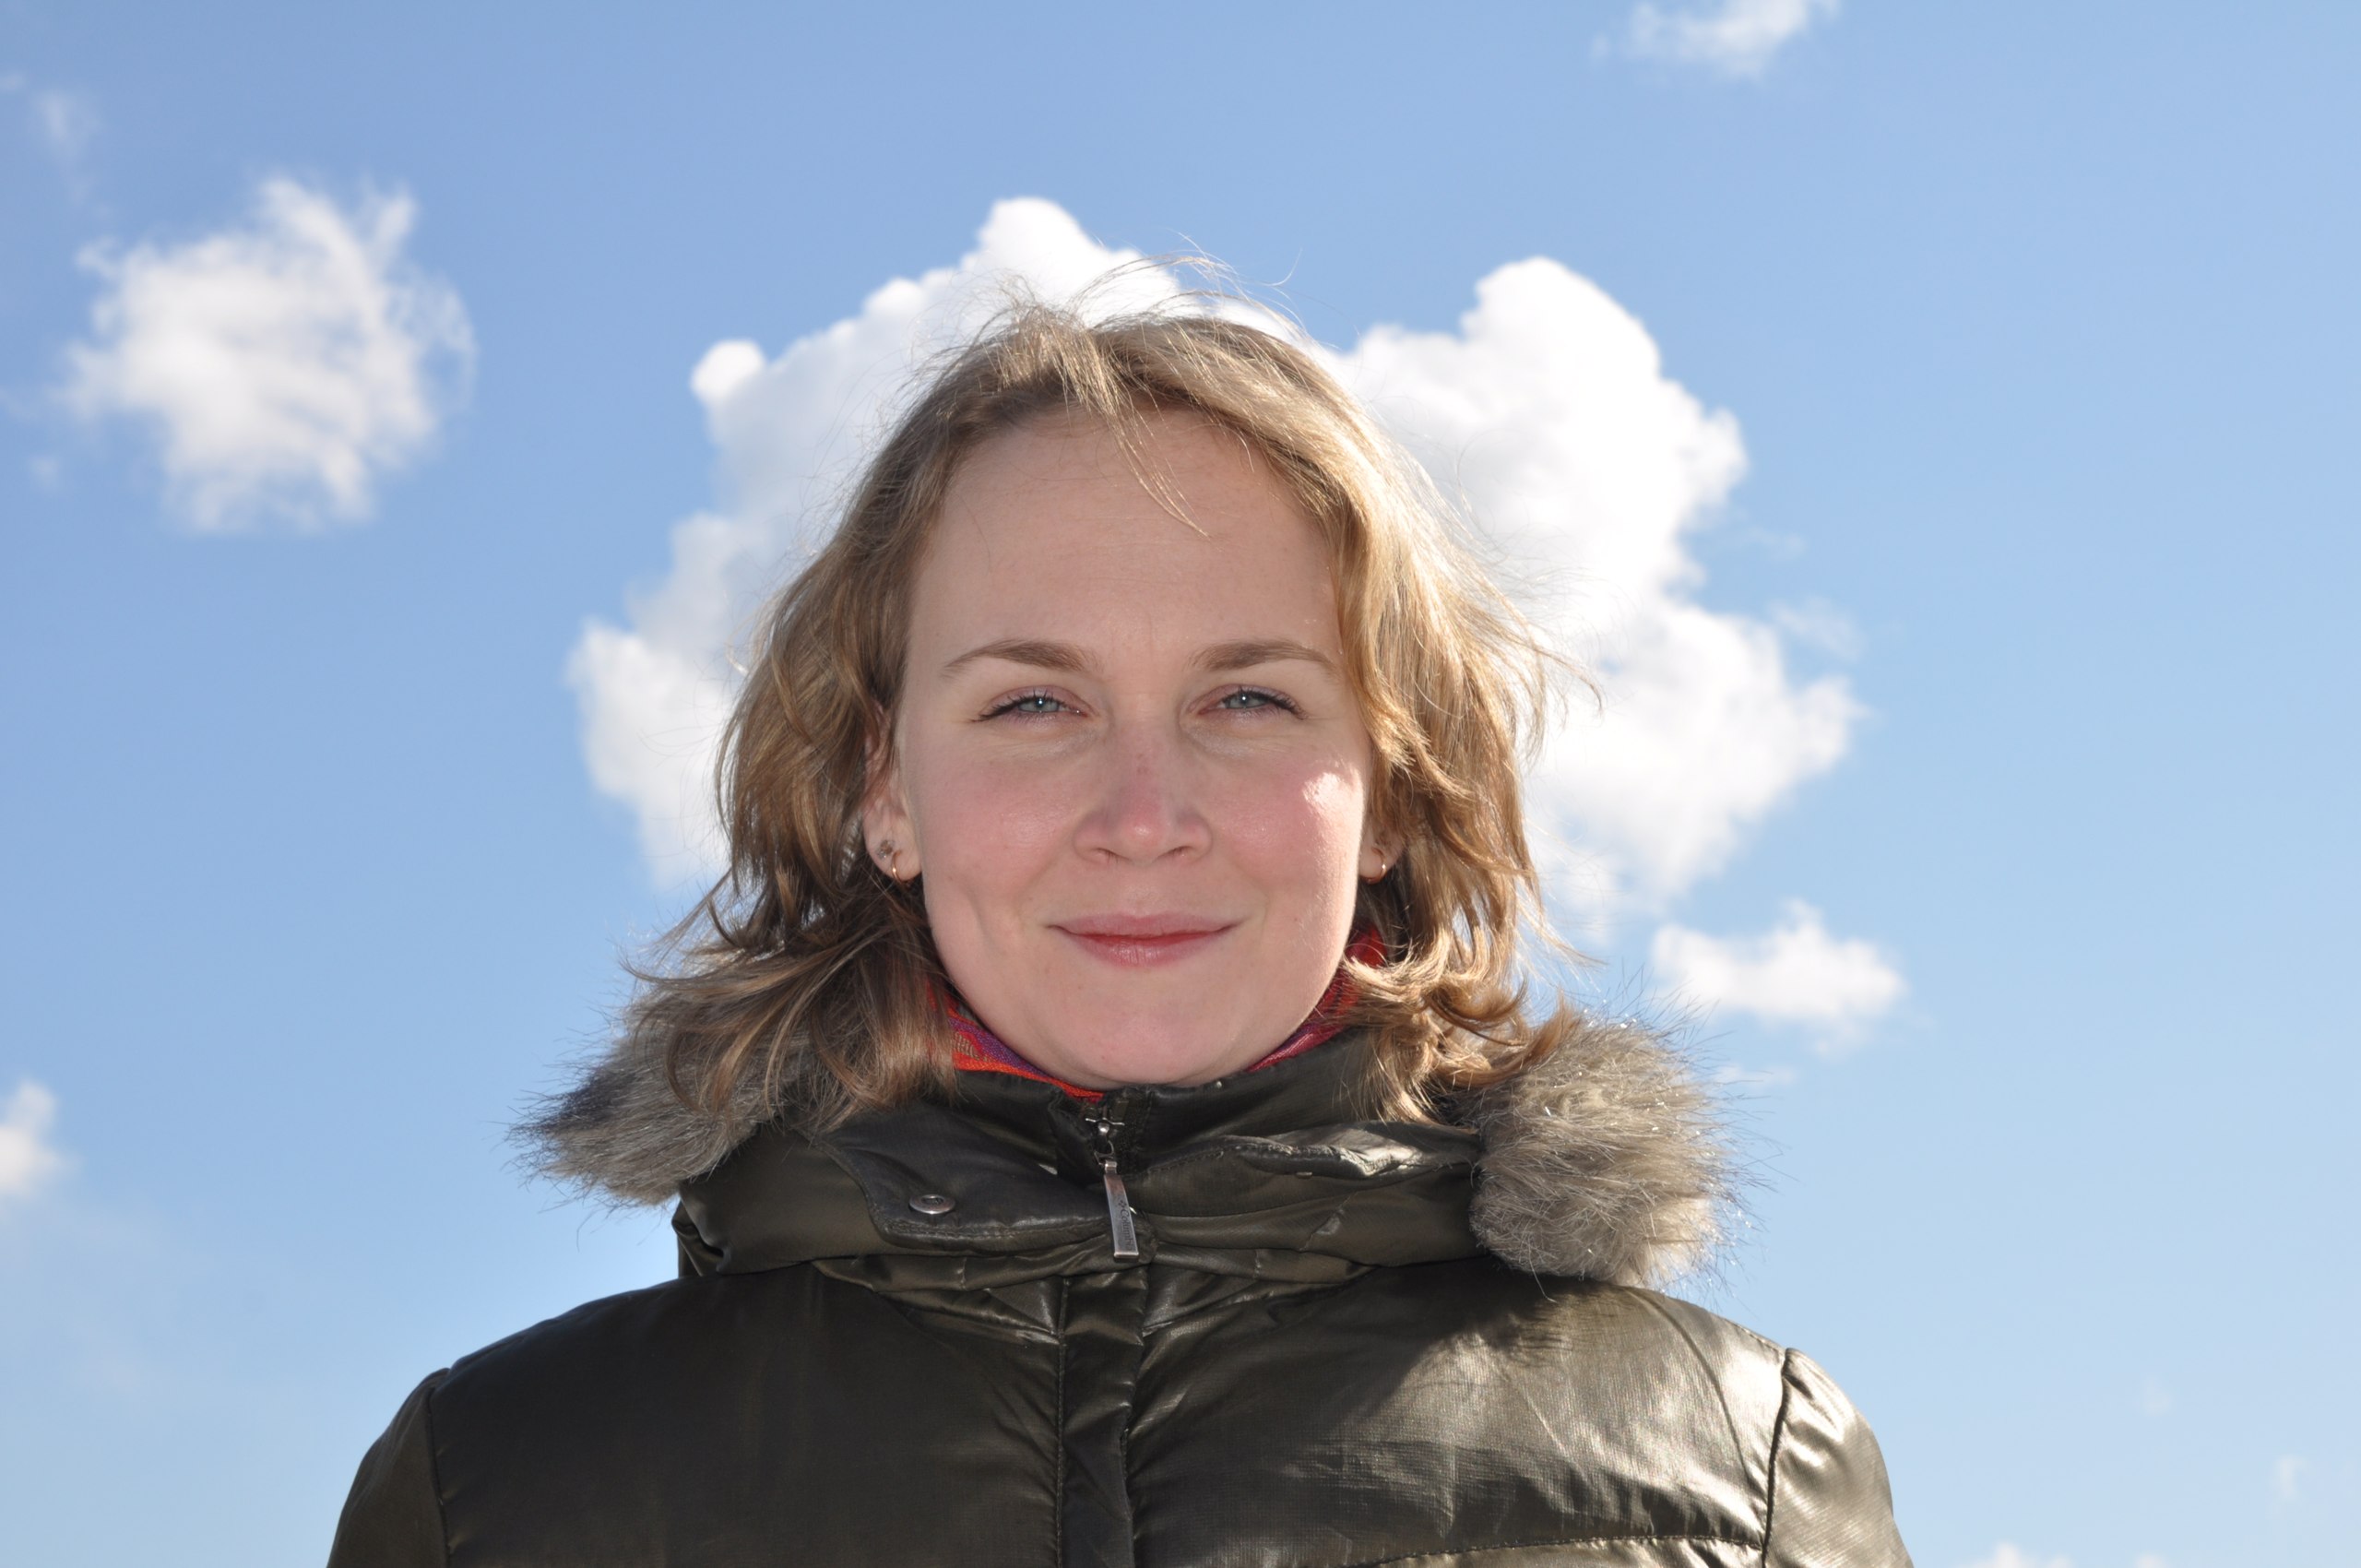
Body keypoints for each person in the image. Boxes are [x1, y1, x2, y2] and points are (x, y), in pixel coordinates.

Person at [326, 293, 1912, 1567]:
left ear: (1389, 791)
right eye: (1034, 702)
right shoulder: (497, 1489)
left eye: (1248, 698)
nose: (1144, 815)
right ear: (885, 788)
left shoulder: (1741, 1483)